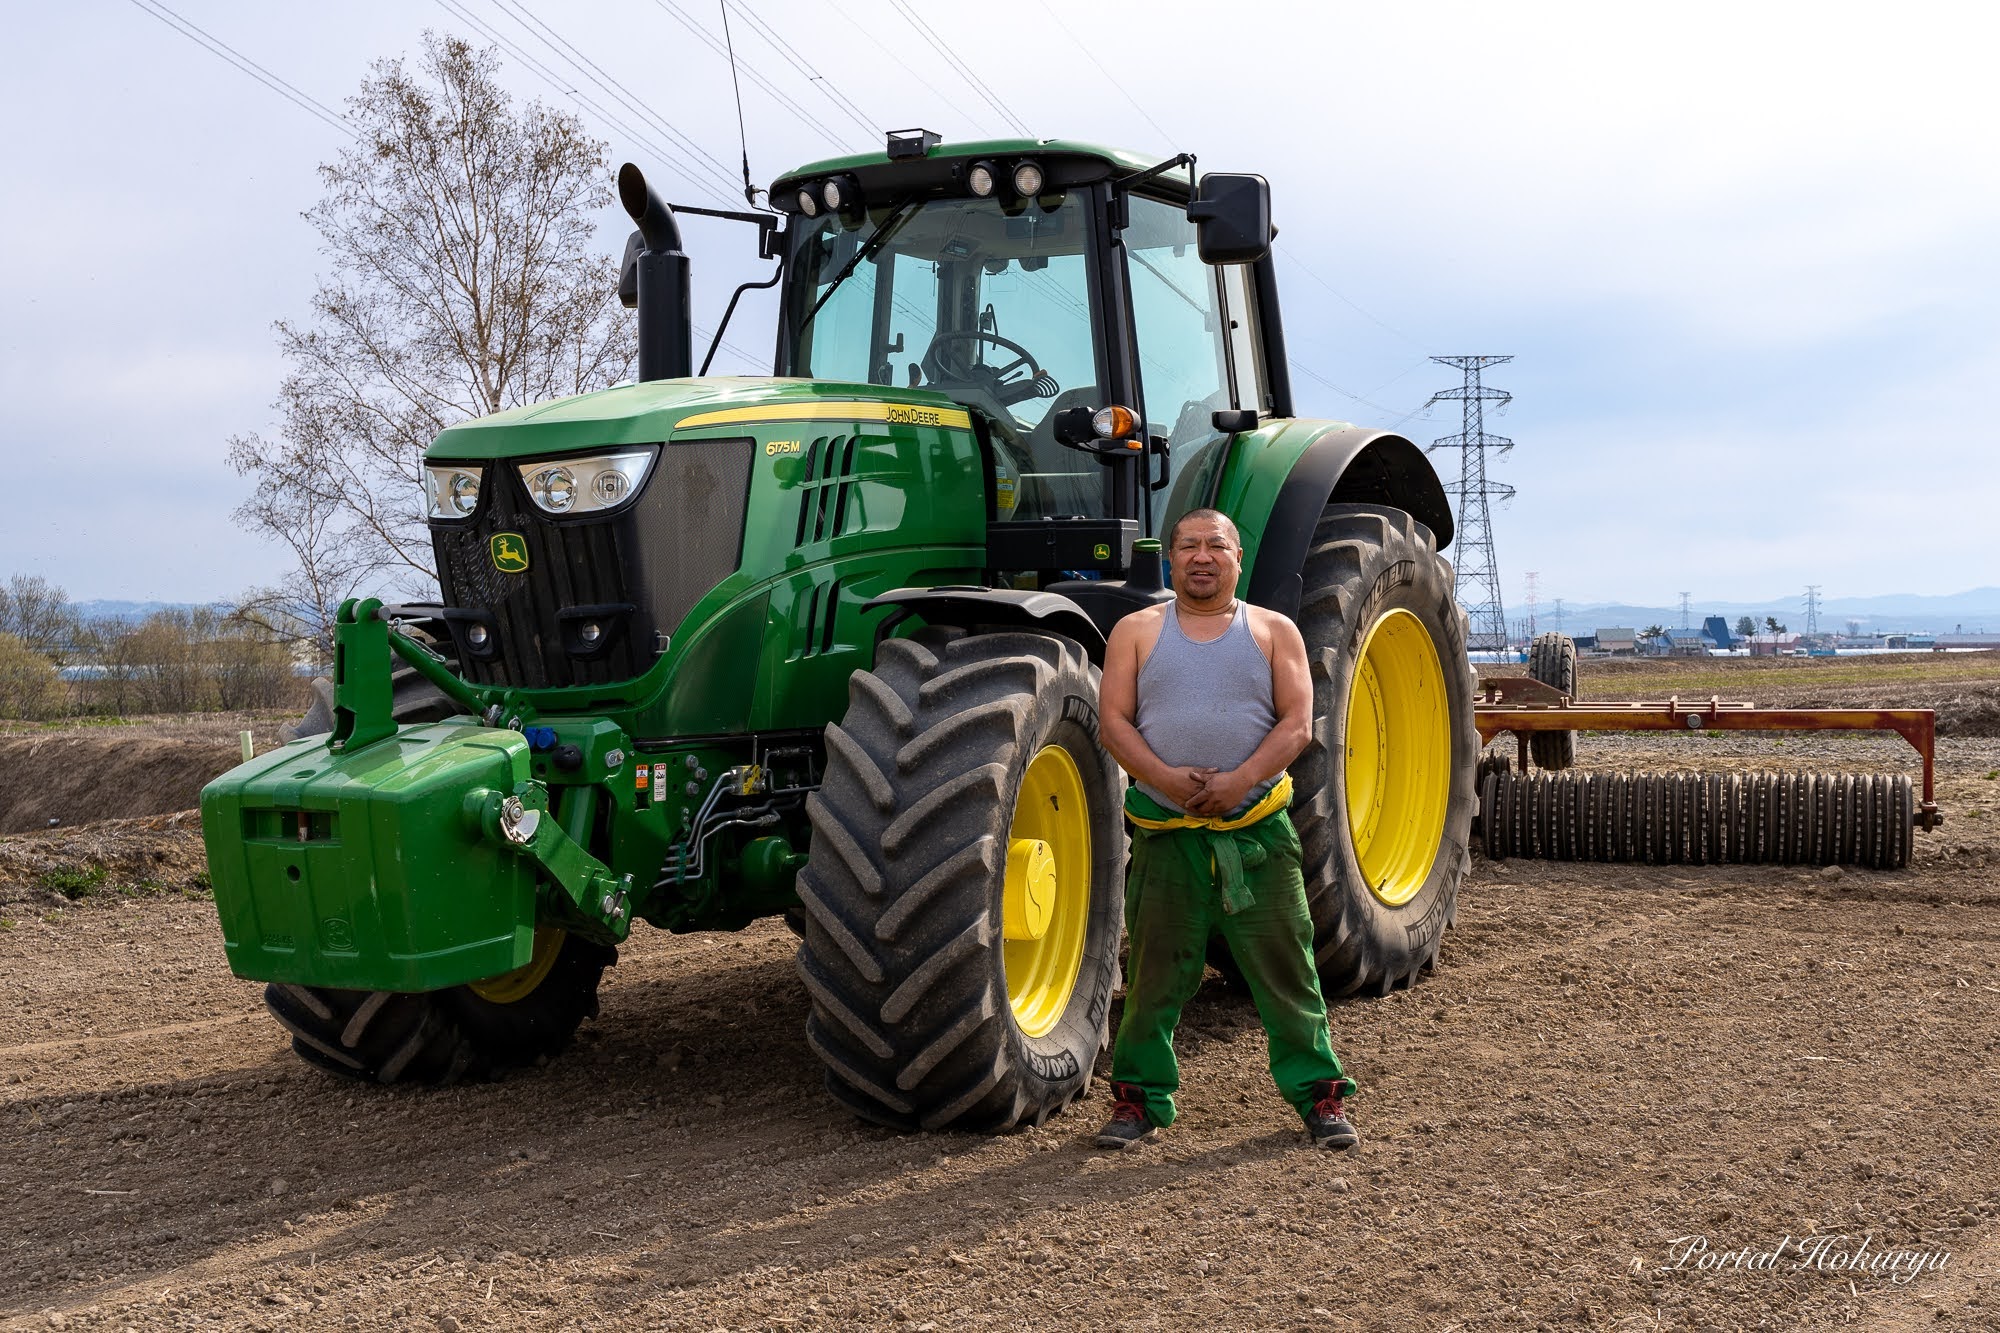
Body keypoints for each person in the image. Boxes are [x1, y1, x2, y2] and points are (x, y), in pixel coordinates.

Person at [1093, 508, 1358, 1150]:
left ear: (1238, 558)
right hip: (1166, 834)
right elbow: (1114, 724)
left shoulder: (1273, 630)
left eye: (1216, 545)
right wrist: (1165, 775)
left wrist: (1239, 783)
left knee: (1287, 971)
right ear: (1171, 559)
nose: (1202, 557)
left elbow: (1297, 723)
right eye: (1188, 546)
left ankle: (1319, 1097)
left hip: (1257, 836)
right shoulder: (1134, 630)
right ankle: (1138, 1101)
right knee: (1153, 976)